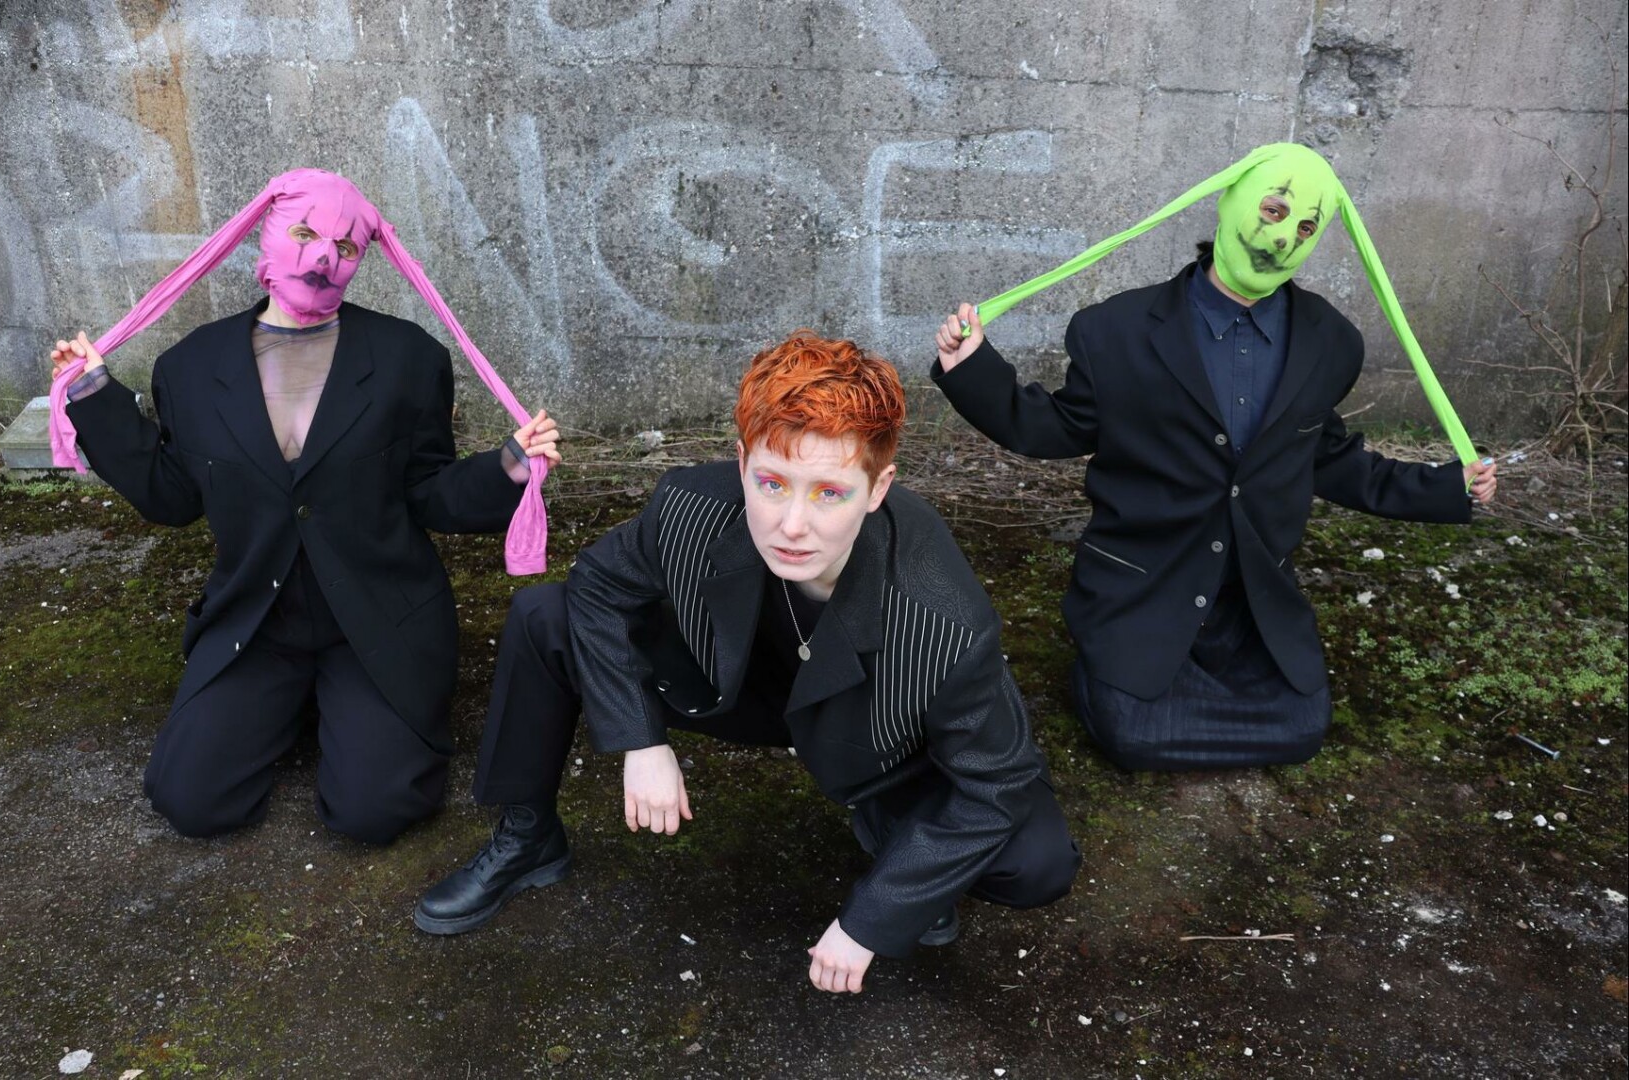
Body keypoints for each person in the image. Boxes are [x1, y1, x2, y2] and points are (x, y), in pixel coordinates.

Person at [413, 331, 1080, 993]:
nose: (792, 525)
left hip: (870, 725)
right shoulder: (688, 506)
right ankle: (528, 836)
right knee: (544, 615)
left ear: (878, 488)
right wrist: (639, 737)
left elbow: (996, 785)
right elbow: (596, 587)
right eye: (772, 483)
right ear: (741, 463)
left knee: (1036, 860)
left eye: (829, 493)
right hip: (736, 681)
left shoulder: (944, 619)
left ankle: (898, 839)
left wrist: (875, 917)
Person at [932, 143, 1498, 772]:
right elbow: (1057, 427)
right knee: (1135, 736)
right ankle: (1111, 672)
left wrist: (1448, 487)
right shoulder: (1116, 329)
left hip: (1251, 594)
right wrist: (971, 370)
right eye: (1274, 210)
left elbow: (1329, 457)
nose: (1281, 239)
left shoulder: (1331, 342)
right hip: (1145, 586)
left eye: (1305, 228)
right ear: (1230, 203)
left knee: (1302, 731)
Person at [47, 169, 562, 844]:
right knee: (189, 800)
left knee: (375, 812)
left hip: (378, 617)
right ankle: (296, 704)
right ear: (267, 235)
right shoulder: (191, 367)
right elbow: (172, 497)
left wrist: (508, 467)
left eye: (346, 247)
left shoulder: (408, 358)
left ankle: (346, 711)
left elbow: (427, 491)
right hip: (257, 623)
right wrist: (94, 397)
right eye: (304, 233)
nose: (324, 257)